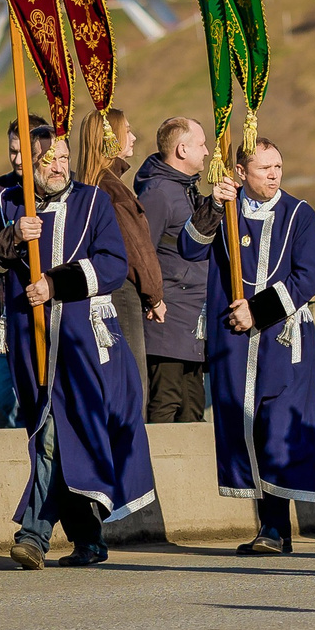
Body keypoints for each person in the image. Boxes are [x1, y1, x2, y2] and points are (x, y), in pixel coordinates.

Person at [0, 124, 157, 569]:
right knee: (47, 427)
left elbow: (114, 264)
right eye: (46, 161)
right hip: (28, 336)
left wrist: (56, 284)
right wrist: (13, 238)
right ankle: (88, 536)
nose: (57, 168)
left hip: (82, 340)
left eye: (62, 158)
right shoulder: (4, 203)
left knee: (57, 431)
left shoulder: (93, 201)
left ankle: (33, 533)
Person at [185, 137, 315, 554]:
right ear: (241, 173)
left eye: (278, 166)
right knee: (245, 427)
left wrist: (258, 311)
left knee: (279, 428)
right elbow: (189, 248)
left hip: (283, 339)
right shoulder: (225, 210)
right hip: (235, 343)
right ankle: (272, 528)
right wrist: (213, 205)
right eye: (264, 168)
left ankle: (275, 526)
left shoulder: (300, 214)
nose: (274, 174)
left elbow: (308, 277)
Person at [135, 115, 215, 424]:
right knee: (165, 403)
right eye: (201, 144)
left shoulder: (186, 189)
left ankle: (190, 473)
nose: (207, 152)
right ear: (181, 150)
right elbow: (142, 251)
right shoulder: (159, 193)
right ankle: (159, 471)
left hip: (192, 318)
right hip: (167, 320)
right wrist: (154, 297)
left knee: (193, 408)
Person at [0, 114, 50, 432]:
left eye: (25, 152)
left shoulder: (58, 189)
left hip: (45, 310)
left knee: (39, 402)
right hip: (3, 315)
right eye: (12, 151)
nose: (18, 159)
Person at [80, 106, 161, 383]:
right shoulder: (113, 190)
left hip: (93, 292)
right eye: (127, 131)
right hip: (122, 292)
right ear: (111, 138)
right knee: (132, 378)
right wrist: (154, 295)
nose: (134, 137)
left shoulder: (86, 187)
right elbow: (136, 250)